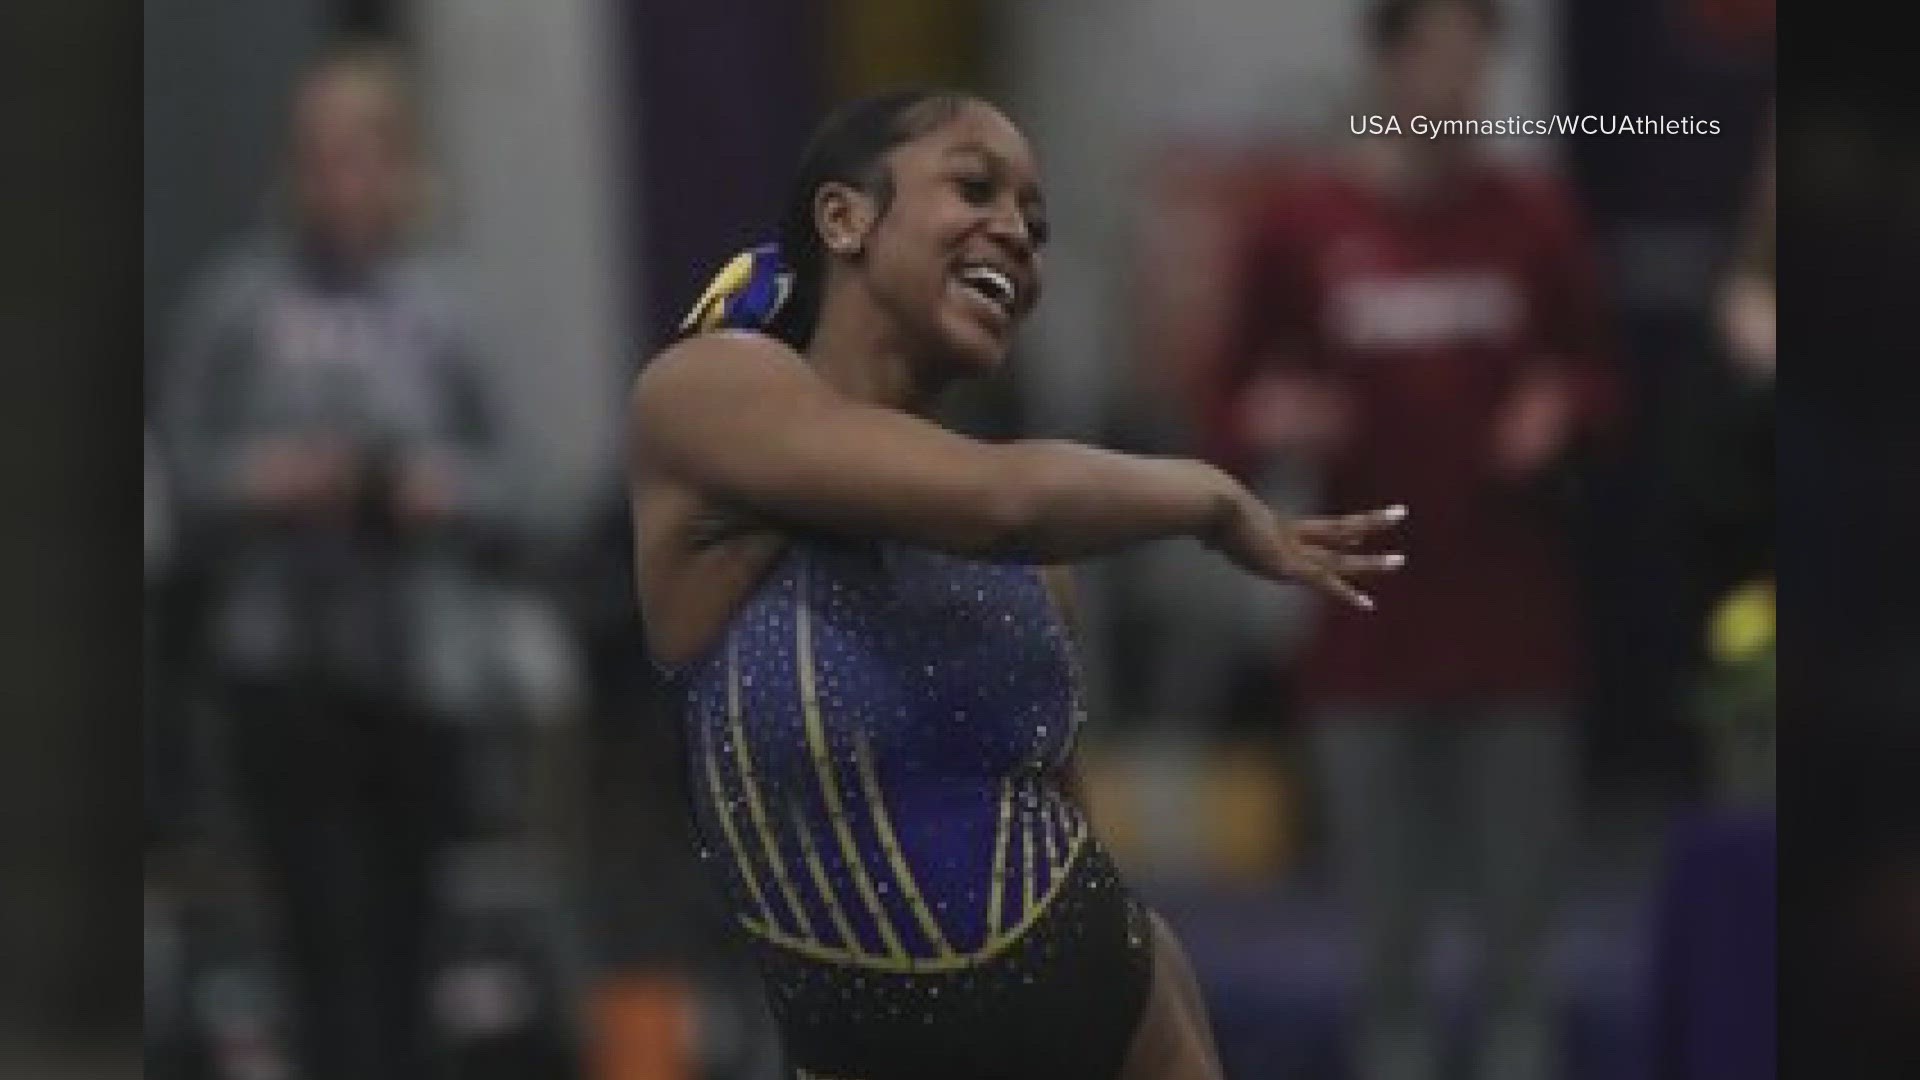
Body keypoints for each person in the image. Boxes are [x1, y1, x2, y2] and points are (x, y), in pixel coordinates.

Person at [626, 89, 1405, 1080]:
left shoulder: (1035, 558)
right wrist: (1211, 498)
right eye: (974, 185)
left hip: (1122, 1016)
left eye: (1036, 225)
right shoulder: (705, 399)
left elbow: (1062, 820)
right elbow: (1001, 497)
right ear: (844, 216)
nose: (1018, 236)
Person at [1204, 3, 1617, 1079]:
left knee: (1522, 957)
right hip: (1364, 635)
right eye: (1438, 57)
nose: (1458, 85)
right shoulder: (1302, 226)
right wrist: (1274, 420)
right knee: (1385, 958)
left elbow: (1605, 388)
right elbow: (1225, 409)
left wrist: (1560, 414)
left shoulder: (1533, 221)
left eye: (1477, 61)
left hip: (1512, 634)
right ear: (1387, 61)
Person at [157, 42, 511, 1080]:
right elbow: (179, 469)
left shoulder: (449, 304)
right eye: (317, 154)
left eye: (360, 154)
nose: (337, 178)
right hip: (282, 669)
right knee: (322, 938)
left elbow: (520, 480)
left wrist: (436, 489)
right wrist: (265, 481)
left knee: (409, 941)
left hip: (420, 668)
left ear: (401, 163)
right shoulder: (236, 299)